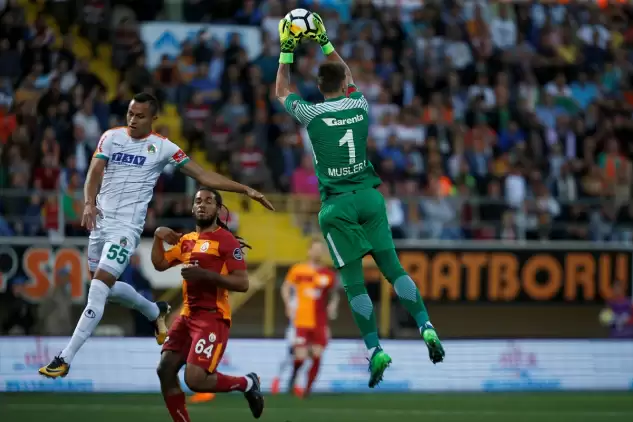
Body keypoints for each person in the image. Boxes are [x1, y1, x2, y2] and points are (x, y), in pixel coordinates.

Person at [39, 93, 274, 379]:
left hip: (126, 230)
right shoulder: (111, 137)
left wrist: (245, 189)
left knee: (98, 290)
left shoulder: (163, 147)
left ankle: (64, 358)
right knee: (108, 292)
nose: (133, 120)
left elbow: (204, 176)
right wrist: (88, 203)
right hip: (100, 224)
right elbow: (94, 172)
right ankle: (155, 311)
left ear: (153, 119)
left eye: (140, 116)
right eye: (130, 114)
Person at [275, 16, 445, 388]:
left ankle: (375, 349)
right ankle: (426, 326)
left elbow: (282, 91)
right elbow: (348, 75)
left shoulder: (312, 113)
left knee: (354, 286)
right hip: (370, 197)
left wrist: (287, 48)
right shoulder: (361, 105)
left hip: (337, 207)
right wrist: (323, 40)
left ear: (319, 88)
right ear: (345, 84)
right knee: (395, 271)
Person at [152, 187, 264, 420]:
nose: (202, 204)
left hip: (212, 317)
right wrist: (158, 235)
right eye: (198, 201)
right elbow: (160, 264)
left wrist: (206, 275)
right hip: (187, 315)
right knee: (165, 369)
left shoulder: (226, 240)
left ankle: (247, 383)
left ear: (218, 209)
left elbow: (243, 283)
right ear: (192, 207)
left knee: (195, 380)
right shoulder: (187, 241)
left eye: (209, 201)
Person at [280, 238, 339, 398]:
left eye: (320, 249)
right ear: (309, 251)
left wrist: (333, 305)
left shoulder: (328, 274)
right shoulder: (298, 270)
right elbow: (286, 286)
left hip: (320, 321)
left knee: (317, 355)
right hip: (302, 319)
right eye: (315, 249)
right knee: (300, 355)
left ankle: (307, 389)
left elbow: (334, 294)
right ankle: (294, 375)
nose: (317, 252)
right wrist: (287, 304)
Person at [270, 294, 297, 395]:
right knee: (289, 358)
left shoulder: (308, 298)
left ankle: (295, 384)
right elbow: (289, 313)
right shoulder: (294, 300)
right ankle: (277, 380)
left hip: (304, 332)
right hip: (294, 332)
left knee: (301, 360)